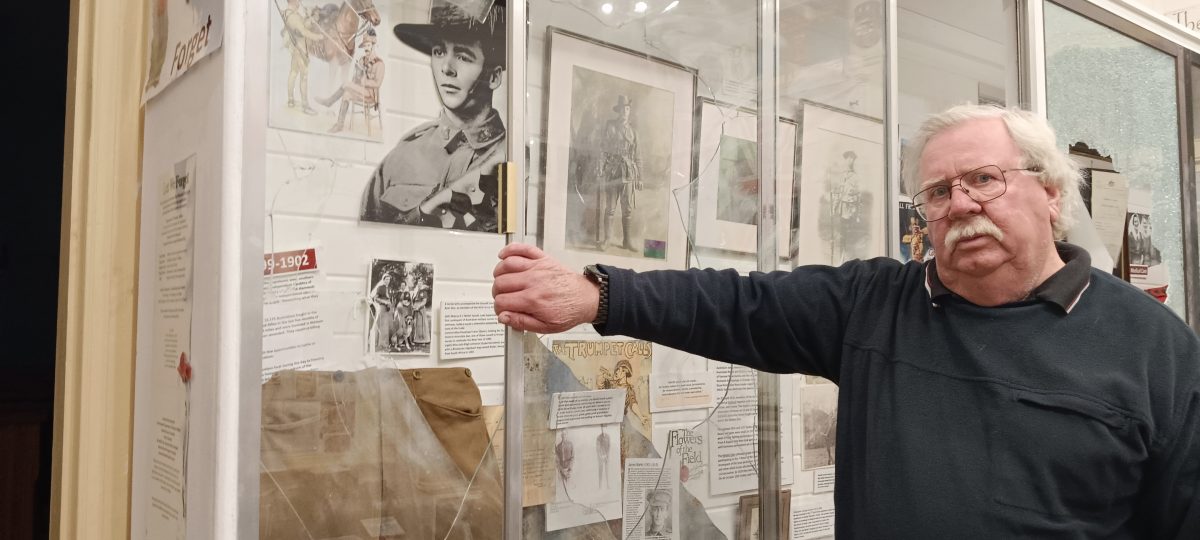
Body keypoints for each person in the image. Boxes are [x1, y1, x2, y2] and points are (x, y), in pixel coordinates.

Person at [491, 105, 1200, 538]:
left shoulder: (1154, 348)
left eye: (984, 178)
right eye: (938, 192)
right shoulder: (876, 305)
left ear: (1049, 192)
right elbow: (740, 304)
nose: (960, 204)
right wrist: (596, 297)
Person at [359, 0, 505, 231]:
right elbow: (366, 241)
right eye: (439, 52)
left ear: (494, 77)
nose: (446, 68)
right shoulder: (403, 155)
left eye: (464, 56)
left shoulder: (510, 159)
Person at [596, 95, 643, 251]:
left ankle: (627, 241)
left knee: (627, 209)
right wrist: (600, 167)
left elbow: (637, 156)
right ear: (619, 110)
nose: (625, 111)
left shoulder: (634, 132)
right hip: (613, 172)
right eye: (622, 108)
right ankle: (607, 240)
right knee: (610, 208)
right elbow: (602, 149)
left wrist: (640, 177)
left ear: (630, 111)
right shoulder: (610, 127)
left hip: (628, 173)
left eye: (627, 108)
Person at [317, 28, 385, 133]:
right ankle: (339, 125)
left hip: (370, 95)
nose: (366, 48)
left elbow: (377, 83)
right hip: (360, 91)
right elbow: (356, 80)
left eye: (368, 45)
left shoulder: (379, 63)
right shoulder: (362, 60)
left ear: (373, 45)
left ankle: (329, 102)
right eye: (365, 46)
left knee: (346, 84)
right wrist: (357, 72)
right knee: (347, 94)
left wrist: (364, 82)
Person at [281, 0, 326, 115]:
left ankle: (291, 100)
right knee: (304, 75)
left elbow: (303, 26)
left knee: (294, 72)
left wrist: (311, 19)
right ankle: (305, 106)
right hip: (299, 49)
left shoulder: (292, 14)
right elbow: (303, 31)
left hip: (296, 48)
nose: (300, 2)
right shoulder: (293, 16)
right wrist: (318, 37)